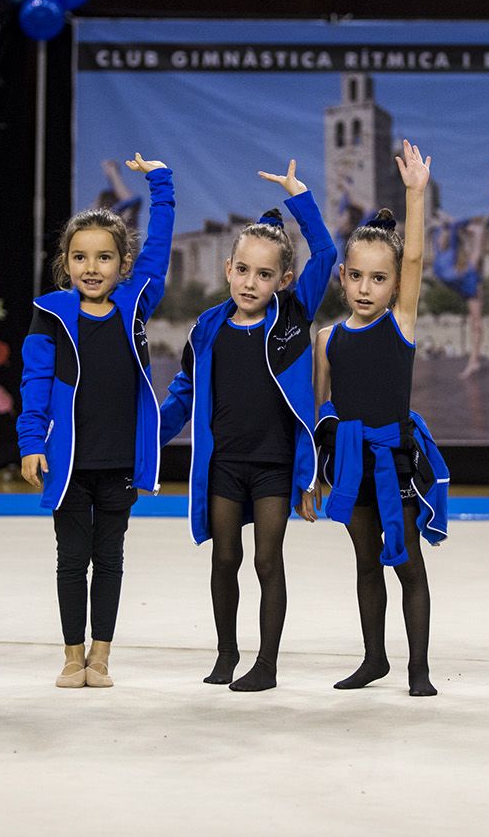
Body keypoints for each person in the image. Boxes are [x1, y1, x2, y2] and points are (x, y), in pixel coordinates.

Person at [158, 159, 336, 692]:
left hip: (275, 465)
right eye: (243, 270)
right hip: (225, 466)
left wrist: (299, 197)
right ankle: (226, 653)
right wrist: (147, 438)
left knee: (266, 559)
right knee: (225, 557)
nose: (251, 282)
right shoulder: (207, 327)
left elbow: (325, 254)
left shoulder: (292, 314)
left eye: (265, 274)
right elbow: (184, 395)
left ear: (283, 280)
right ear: (227, 268)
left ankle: (267, 665)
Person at [18, 156, 174, 689]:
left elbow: (159, 248)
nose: (92, 267)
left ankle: (101, 656)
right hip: (69, 464)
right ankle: (71, 654)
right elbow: (35, 382)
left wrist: (161, 184)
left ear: (122, 263)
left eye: (104, 257)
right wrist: (31, 441)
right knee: (71, 558)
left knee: (110, 556)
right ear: (65, 263)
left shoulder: (134, 305)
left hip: (120, 462)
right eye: (80, 257)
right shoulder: (51, 313)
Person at [304, 140, 449, 697]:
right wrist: (312, 480)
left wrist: (415, 194)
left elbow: (413, 256)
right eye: (358, 277)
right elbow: (321, 417)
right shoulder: (326, 339)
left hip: (395, 461)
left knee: (407, 563)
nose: (367, 289)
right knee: (366, 563)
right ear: (343, 276)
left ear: (394, 284)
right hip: (349, 463)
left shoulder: (401, 324)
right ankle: (374, 659)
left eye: (379, 279)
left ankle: (419, 667)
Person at [430, 211, 487, 377]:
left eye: (443, 236)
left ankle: (474, 361)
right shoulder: (438, 251)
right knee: (474, 254)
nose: (440, 239)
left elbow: (454, 225)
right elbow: (439, 230)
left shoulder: (451, 248)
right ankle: (478, 230)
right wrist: (441, 223)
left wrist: (447, 219)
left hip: (468, 281)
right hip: (460, 283)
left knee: (476, 323)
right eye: (439, 236)